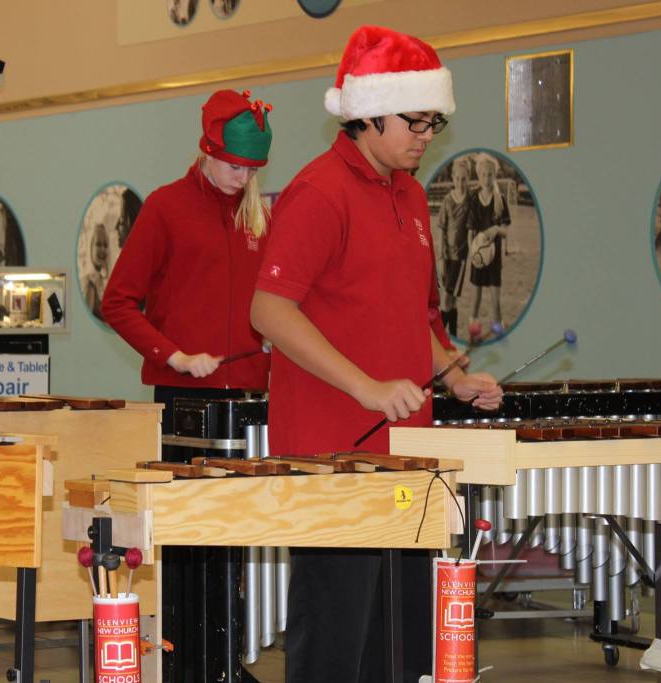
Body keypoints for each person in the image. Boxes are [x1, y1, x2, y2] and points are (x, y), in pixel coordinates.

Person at [249, 26, 502, 682]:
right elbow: (269, 311)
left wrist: (454, 373)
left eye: (434, 121)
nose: (426, 134)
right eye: (416, 121)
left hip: (406, 455)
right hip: (335, 452)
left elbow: (405, 315)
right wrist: (365, 386)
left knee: (403, 642)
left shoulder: (413, 194)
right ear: (367, 115)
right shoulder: (318, 192)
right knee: (337, 640)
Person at [101, 88, 273, 681]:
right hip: (187, 404)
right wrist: (172, 355)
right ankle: (187, 662)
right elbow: (117, 301)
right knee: (193, 546)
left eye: (252, 169)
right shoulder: (167, 207)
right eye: (233, 165)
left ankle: (225, 661)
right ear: (206, 150)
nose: (241, 177)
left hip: (251, 404)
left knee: (241, 543)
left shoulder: (259, 215)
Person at [468, 152, 512, 329]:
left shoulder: (499, 200)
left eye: (490, 174)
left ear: (495, 176)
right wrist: (472, 252)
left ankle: (497, 323)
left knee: (495, 296)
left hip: (494, 256)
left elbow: (506, 231)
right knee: (476, 294)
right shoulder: (473, 200)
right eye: (483, 174)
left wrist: (496, 229)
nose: (487, 178)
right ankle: (473, 322)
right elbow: (470, 229)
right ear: (479, 176)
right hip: (478, 253)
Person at [434, 156, 472, 337]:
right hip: (447, 256)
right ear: (453, 179)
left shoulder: (471, 200)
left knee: (448, 298)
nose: (460, 182)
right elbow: (441, 228)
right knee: (451, 300)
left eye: (464, 178)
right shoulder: (448, 201)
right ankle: (454, 334)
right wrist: (440, 257)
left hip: (460, 257)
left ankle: (439, 335)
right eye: (457, 178)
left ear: (468, 178)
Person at [82, 221, 110, 318]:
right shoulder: (90, 283)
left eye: (105, 245)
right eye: (98, 244)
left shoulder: (101, 281)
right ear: (90, 247)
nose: (103, 249)